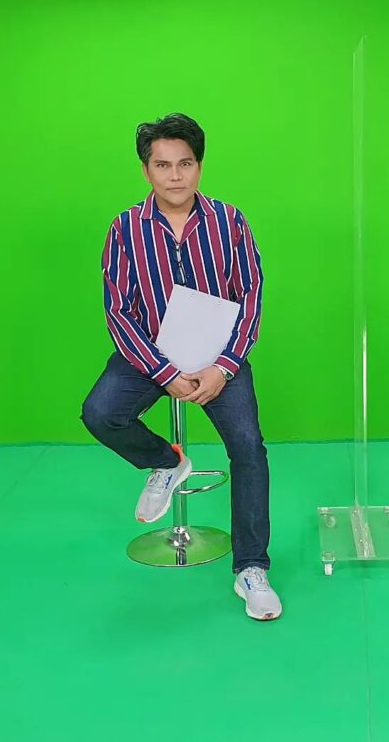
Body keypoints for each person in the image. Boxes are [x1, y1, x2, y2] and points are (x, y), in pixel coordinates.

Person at [82, 113, 281, 621]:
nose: (175, 175)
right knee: (100, 413)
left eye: (185, 164)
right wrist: (164, 372)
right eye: (163, 165)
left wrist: (225, 366)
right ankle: (166, 462)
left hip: (218, 357)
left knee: (249, 448)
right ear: (146, 170)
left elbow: (251, 295)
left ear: (199, 166)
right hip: (150, 353)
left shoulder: (230, 221)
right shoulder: (125, 228)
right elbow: (118, 311)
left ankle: (252, 569)